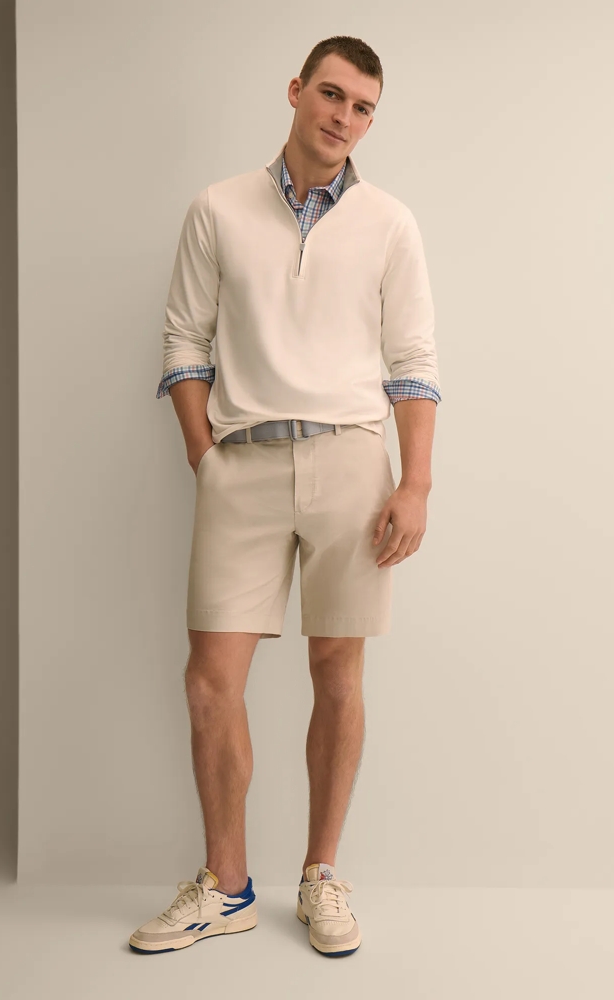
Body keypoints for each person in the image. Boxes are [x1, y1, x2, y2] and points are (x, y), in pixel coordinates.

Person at [129, 35, 440, 958]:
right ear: (297, 90)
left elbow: (412, 361)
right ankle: (226, 886)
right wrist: (203, 452)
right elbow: (184, 339)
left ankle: (320, 874)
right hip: (243, 461)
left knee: (337, 673)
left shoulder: (389, 223)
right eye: (332, 95)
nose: (344, 117)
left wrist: (415, 482)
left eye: (363, 107)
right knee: (209, 680)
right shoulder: (217, 208)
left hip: (351, 463)